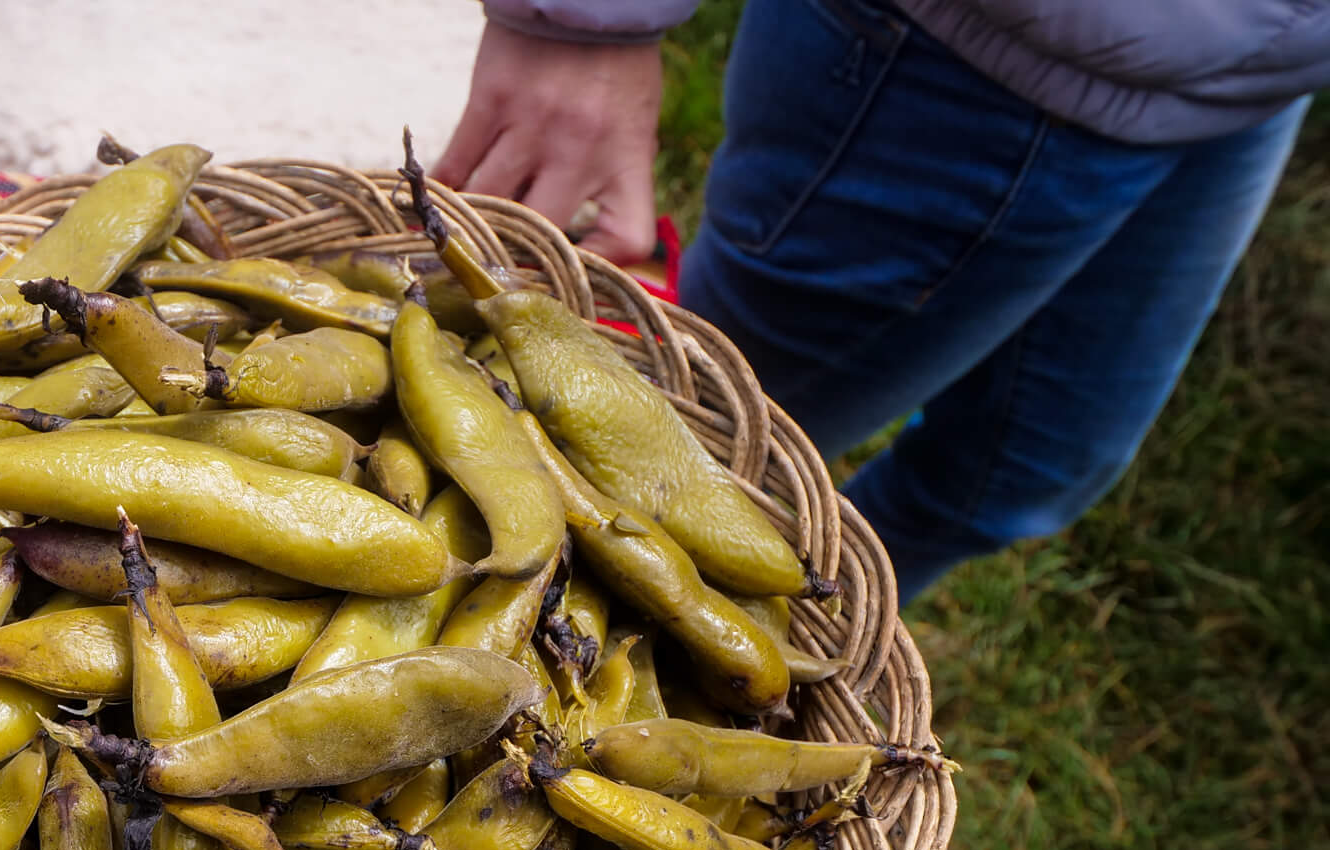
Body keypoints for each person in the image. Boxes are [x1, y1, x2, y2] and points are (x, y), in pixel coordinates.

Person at [435, 0, 1328, 599]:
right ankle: (595, 614)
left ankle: (787, 639)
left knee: (1024, 475)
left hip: (1243, 71)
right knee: (703, 444)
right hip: (950, 57)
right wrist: (590, 20)